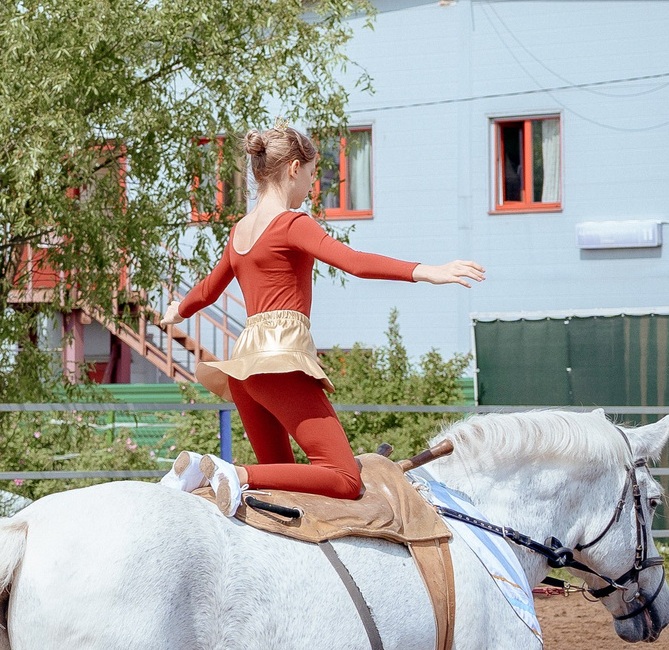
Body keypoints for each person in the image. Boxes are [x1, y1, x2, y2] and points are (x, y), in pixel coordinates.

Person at [166, 124, 484, 508]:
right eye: (314, 175)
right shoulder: (291, 223)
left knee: (280, 490)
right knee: (345, 477)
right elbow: (353, 262)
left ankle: (214, 476)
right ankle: (227, 470)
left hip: (244, 370)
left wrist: (177, 311)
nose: (312, 187)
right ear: (295, 169)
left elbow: (208, 290)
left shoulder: (240, 232)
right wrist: (425, 270)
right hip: (278, 361)